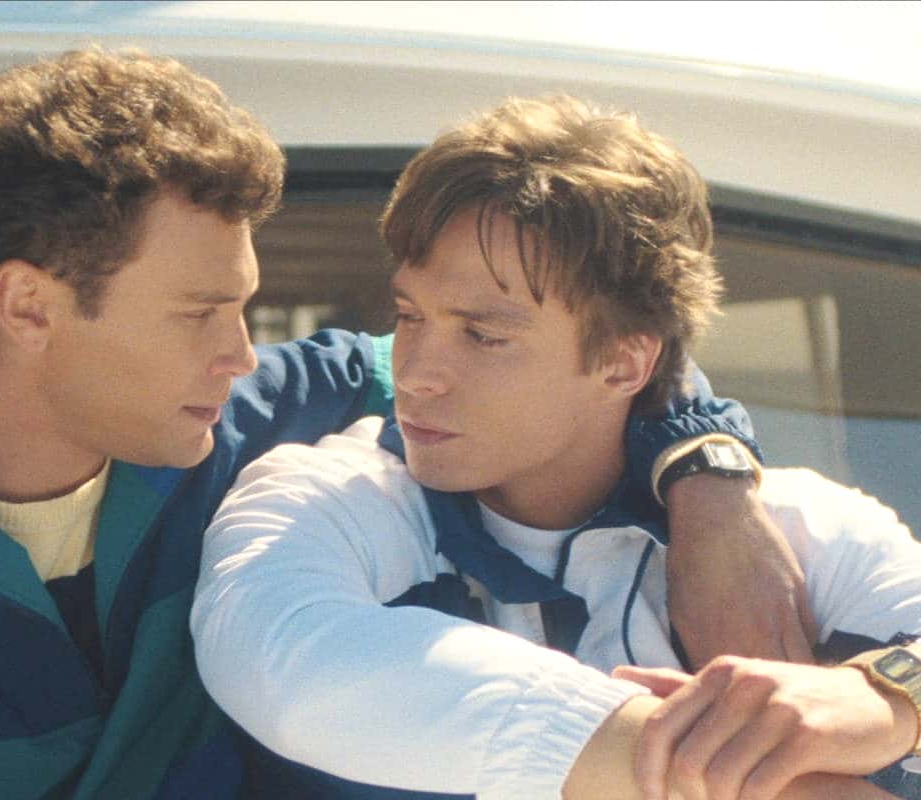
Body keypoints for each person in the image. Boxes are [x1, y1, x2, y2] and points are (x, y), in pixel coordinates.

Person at [0, 49, 795, 799]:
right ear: (29, 306)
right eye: (199, 313)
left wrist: (709, 473)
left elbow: (587, 344)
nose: (242, 354)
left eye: (245, 307)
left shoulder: (246, 415)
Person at [191, 95, 921, 799]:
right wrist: (721, 770)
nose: (412, 374)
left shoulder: (784, 528)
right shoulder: (327, 497)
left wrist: (887, 697)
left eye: (483, 335)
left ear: (624, 364)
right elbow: (279, 660)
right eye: (410, 316)